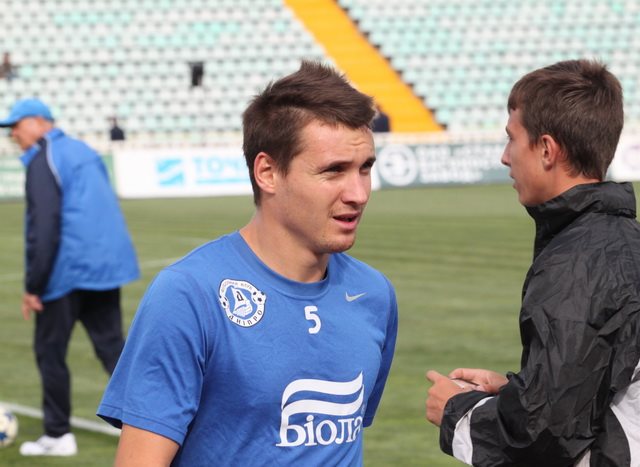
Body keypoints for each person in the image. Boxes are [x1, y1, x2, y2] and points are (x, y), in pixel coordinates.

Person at [97, 60, 398, 466]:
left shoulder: (374, 294)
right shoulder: (189, 294)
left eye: (365, 169)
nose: (358, 193)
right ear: (268, 172)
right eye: (334, 171)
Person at [425, 59, 640, 465]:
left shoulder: (578, 263)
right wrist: (516, 392)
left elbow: (545, 436)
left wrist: (457, 412)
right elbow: (612, 390)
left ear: (546, 149)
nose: (504, 157)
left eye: (511, 139)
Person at [0, 98, 140, 456]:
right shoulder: (84, 151)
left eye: (16, 126)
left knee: (49, 351)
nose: (13, 134)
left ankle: (58, 434)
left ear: (38, 122)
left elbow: (44, 225)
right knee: (113, 350)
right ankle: (152, 427)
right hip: (104, 269)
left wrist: (34, 286)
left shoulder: (43, 158)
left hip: (66, 271)